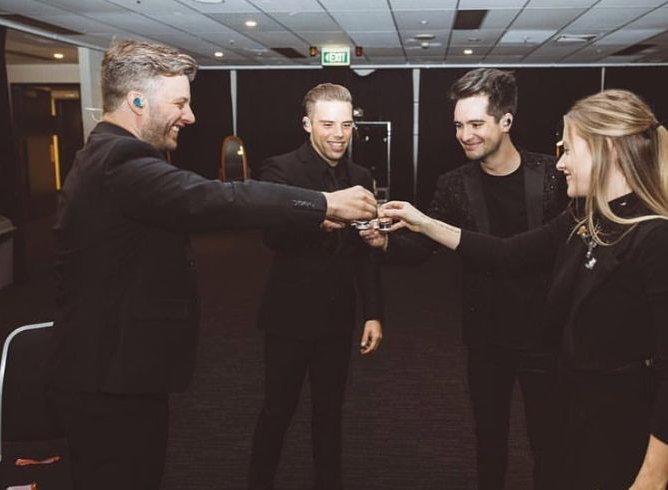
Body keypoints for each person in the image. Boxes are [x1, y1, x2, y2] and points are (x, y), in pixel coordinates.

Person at [46, 41, 376, 490]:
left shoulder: (106, 155)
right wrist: (323, 202)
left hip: (115, 367)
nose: (190, 116)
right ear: (137, 102)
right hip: (107, 376)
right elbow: (216, 198)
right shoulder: (119, 159)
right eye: (179, 103)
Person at [381, 89, 668, 490]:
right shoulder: (583, 218)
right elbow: (507, 253)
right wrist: (423, 222)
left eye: (568, 150)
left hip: (621, 436)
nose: (561, 163)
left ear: (608, 151)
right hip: (575, 423)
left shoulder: (659, 240)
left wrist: (653, 478)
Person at [361, 68, 567, 489]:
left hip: (545, 334)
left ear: (506, 121)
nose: (465, 135)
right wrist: (384, 245)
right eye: (458, 125)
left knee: (549, 440)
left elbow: (537, 251)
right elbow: (422, 249)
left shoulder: (553, 175)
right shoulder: (453, 184)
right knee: (489, 437)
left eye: (475, 124)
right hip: (486, 335)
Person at [247, 83, 383, 490]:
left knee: (329, 413)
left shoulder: (360, 177)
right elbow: (272, 235)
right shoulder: (281, 170)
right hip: (288, 319)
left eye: (346, 125)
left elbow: (365, 253)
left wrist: (373, 313)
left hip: (337, 320)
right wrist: (317, 217)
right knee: (277, 411)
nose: (339, 134)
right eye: (328, 125)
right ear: (307, 124)